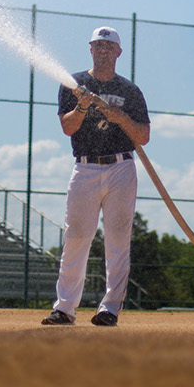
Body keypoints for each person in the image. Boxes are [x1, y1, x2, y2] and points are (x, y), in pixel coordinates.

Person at [41, 26, 151, 327]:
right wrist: (82, 106)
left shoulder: (130, 91)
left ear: (118, 52)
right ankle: (64, 308)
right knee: (76, 236)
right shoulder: (74, 84)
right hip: (85, 166)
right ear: (90, 49)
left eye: (108, 46)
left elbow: (143, 135)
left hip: (121, 167)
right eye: (97, 45)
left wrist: (121, 117)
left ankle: (109, 309)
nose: (102, 50)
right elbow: (68, 127)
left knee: (117, 238)